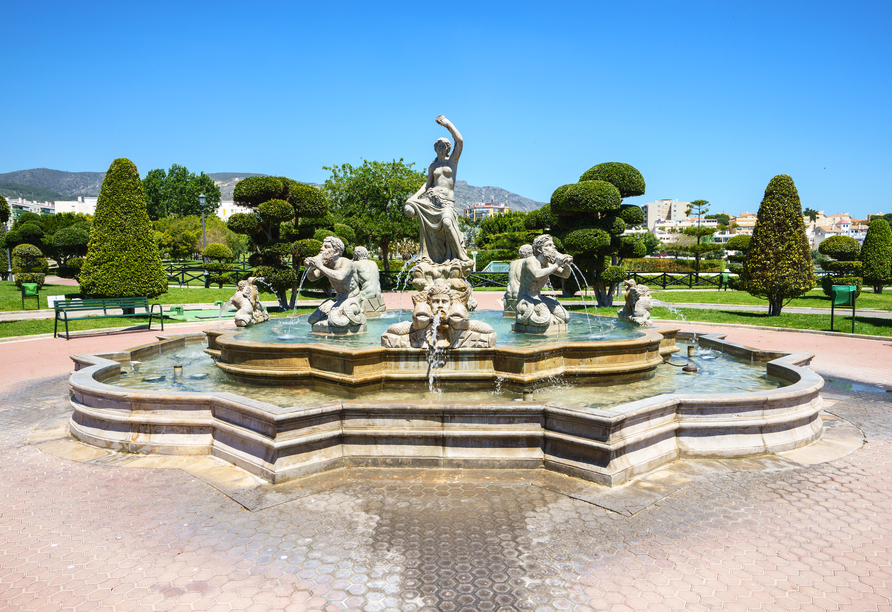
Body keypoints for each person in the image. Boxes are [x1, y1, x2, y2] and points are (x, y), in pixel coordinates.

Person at [403, 115, 471, 264]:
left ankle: (460, 255)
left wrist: (447, 124)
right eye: (438, 145)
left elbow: (460, 141)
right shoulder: (432, 166)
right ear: (435, 148)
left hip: (446, 202)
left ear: (448, 148)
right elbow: (427, 185)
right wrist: (413, 198)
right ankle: (431, 257)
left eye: (444, 145)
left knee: (447, 223)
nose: (441, 147)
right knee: (409, 208)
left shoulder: (452, 162)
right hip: (432, 200)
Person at [305, 237, 365, 330]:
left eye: (326, 247)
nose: (322, 249)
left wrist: (320, 266)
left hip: (352, 298)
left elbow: (340, 276)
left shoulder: (346, 262)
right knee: (312, 320)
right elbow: (312, 278)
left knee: (334, 321)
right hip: (338, 298)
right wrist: (309, 268)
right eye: (322, 246)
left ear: (336, 252)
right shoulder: (327, 265)